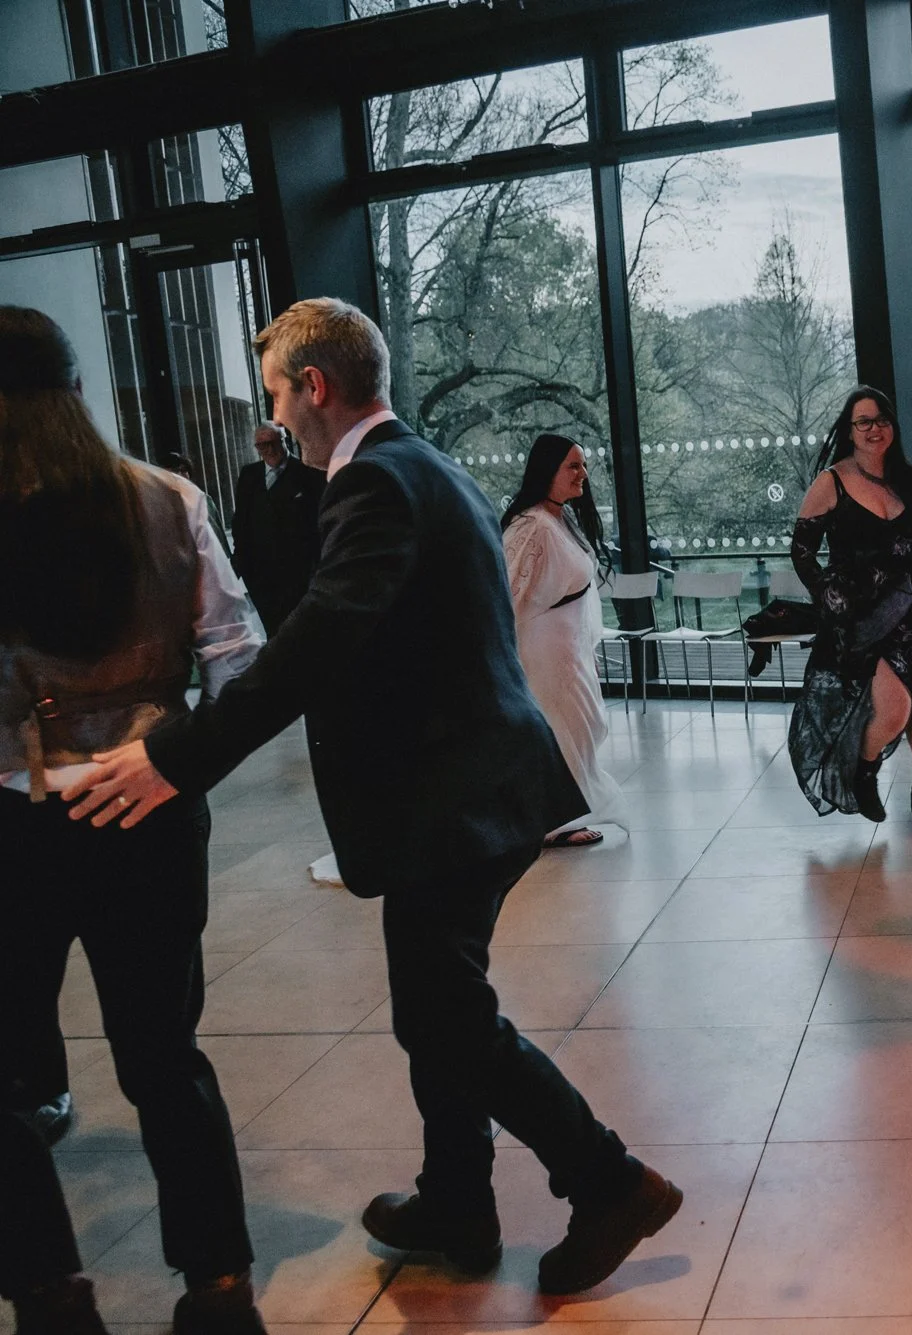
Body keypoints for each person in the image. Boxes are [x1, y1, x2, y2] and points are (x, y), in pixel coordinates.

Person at [66, 297, 681, 1298]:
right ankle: (456, 1205)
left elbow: (315, 643)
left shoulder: (380, 485)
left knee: (443, 1020)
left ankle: (607, 1183)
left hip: (455, 800)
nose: (272, 416)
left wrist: (175, 756)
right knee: (439, 1010)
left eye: (275, 393)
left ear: (314, 387)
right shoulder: (420, 465)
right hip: (465, 792)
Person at [0, 306, 268, 1335]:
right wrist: (169, 753)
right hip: (151, 812)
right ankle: (220, 1289)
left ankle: (49, 1291)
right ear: (78, 392)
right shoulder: (170, 499)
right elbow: (240, 656)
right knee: (164, 1056)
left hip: (14, 827)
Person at [789, 386, 912, 824]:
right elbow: (802, 551)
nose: (873, 429)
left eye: (881, 419)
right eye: (863, 422)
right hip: (859, 614)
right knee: (896, 705)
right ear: (850, 430)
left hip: (908, 606)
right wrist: (827, 595)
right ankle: (863, 771)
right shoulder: (832, 481)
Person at [500, 433, 625, 849]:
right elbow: (508, 592)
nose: (583, 474)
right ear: (547, 471)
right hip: (544, 651)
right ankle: (554, 822)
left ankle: (563, 813)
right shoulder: (530, 527)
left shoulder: (559, 519)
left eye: (583, 465)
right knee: (560, 728)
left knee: (579, 726)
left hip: (568, 650)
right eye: (574, 466)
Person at [231, 422, 324, 634]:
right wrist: (241, 560)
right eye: (262, 446)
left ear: (285, 441)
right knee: (273, 630)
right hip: (259, 574)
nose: (269, 450)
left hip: (297, 575)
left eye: (274, 443)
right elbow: (240, 521)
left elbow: (316, 526)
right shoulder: (249, 476)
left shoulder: (308, 474)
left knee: (299, 632)